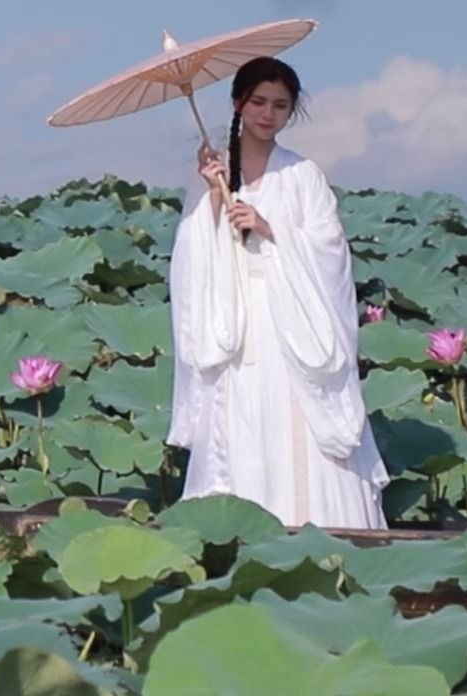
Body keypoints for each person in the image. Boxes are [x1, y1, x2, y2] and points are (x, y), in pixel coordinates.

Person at [166, 56, 388, 529]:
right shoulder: (213, 173)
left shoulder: (303, 174)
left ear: (292, 112)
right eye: (259, 102)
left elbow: (331, 252)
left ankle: (315, 532)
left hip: (294, 323)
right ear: (237, 103)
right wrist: (211, 195)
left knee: (296, 430)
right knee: (241, 423)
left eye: (281, 106)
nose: (268, 114)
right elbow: (190, 259)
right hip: (237, 324)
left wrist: (270, 228)